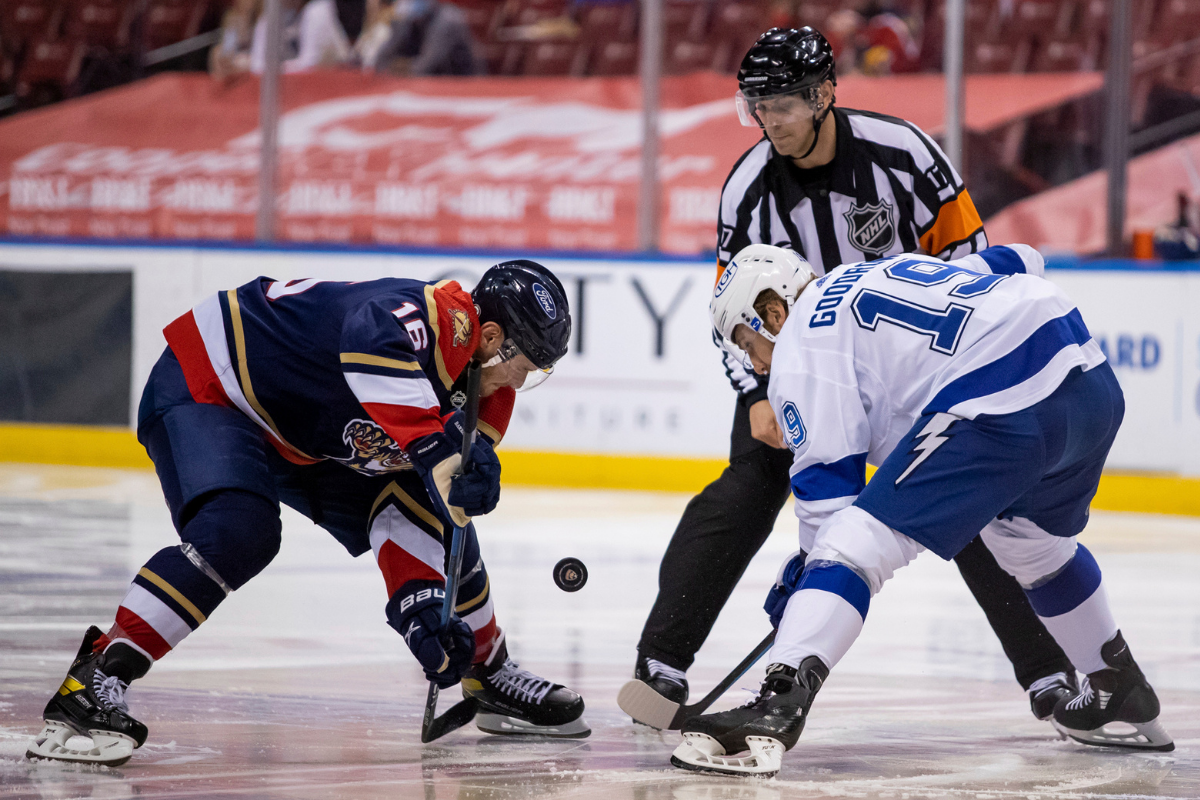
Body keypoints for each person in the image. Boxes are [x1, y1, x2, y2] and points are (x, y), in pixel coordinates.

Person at [633, 26, 1076, 726]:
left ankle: (1049, 672)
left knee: (976, 499)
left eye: (780, 105)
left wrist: (956, 379)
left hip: (914, 373)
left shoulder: (903, 155)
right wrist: (753, 394)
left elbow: (971, 267)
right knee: (749, 480)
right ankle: (662, 662)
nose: (767, 122)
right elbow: (727, 303)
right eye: (756, 106)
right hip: (797, 369)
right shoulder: (748, 187)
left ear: (824, 95)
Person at [26, 261, 589, 767]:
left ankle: (486, 673)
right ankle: (96, 679)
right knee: (236, 531)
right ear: (491, 336)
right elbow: (370, 338)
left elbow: (414, 501)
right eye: (529, 365)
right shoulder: (437, 317)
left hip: (306, 432)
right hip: (217, 385)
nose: (522, 381)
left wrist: (417, 605)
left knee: (449, 519)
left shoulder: (488, 394)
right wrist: (438, 455)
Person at [670, 243, 1174, 776]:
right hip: (1088, 380)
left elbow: (829, 512)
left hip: (1001, 397)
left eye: (748, 343)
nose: (754, 362)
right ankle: (1115, 682)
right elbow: (1022, 257)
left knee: (852, 546)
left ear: (773, 313)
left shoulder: (799, 345)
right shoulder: (879, 271)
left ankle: (776, 704)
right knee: (1030, 545)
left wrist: (805, 579)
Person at [371, 0, 483, 76]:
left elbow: (425, 65)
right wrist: (399, 24)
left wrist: (397, 69)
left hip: (462, 83)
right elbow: (382, 58)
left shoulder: (447, 19)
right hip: (433, 83)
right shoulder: (412, 21)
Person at [250, 0, 352, 74]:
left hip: (330, 85)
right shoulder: (268, 18)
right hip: (293, 85)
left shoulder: (318, 10)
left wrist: (275, 69)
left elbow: (309, 64)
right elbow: (257, 66)